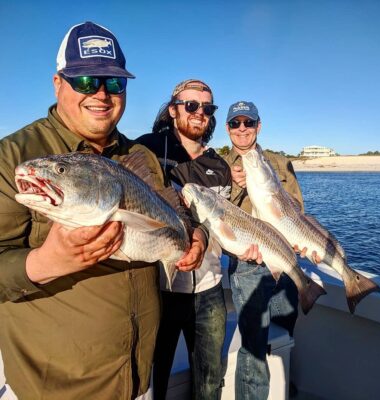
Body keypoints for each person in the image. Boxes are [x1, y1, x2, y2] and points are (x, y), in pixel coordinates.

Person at [0, 22, 205, 400]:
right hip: (54, 388)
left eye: (114, 83)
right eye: (85, 80)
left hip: (138, 379)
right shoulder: (13, 156)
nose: (101, 94)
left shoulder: (139, 156)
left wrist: (196, 234)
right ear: (58, 83)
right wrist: (45, 262)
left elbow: (176, 214)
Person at [135, 79, 232, 399]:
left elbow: (219, 225)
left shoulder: (219, 166)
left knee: (209, 378)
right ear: (174, 109)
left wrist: (204, 238)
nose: (199, 112)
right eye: (191, 105)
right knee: (152, 376)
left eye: (207, 108)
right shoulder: (146, 148)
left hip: (208, 288)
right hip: (158, 286)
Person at [223, 101, 304, 399]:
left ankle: (283, 386)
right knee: (254, 347)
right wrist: (233, 186)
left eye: (248, 123)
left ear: (258, 126)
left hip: (284, 260)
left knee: (284, 335)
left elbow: (296, 207)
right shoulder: (219, 165)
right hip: (248, 268)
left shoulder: (279, 162)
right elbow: (217, 216)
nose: (242, 129)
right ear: (227, 128)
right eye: (235, 123)